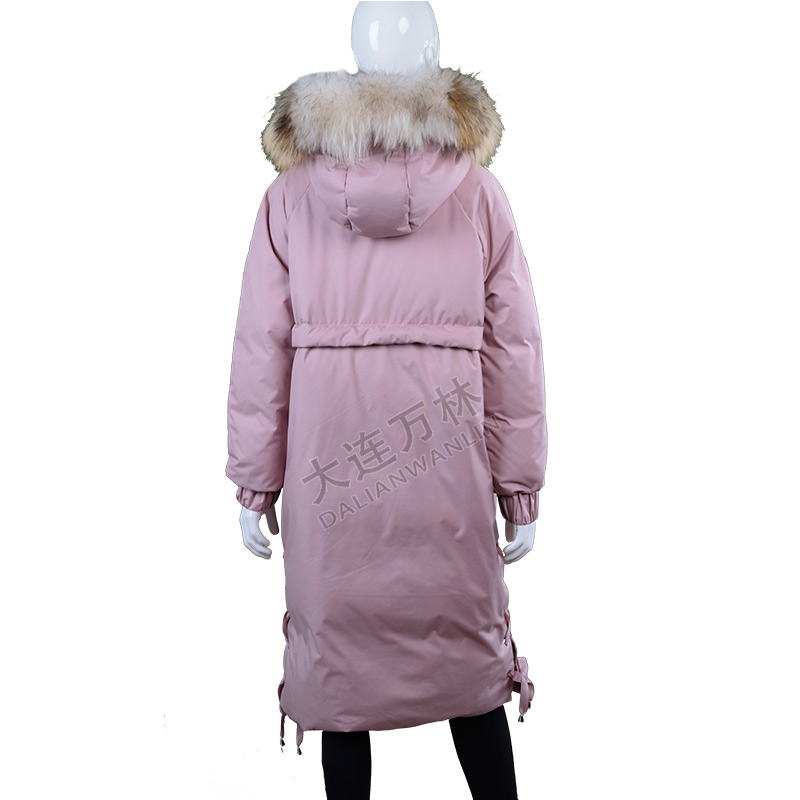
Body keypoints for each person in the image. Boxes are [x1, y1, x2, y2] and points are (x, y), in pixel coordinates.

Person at [225, 3, 547, 798]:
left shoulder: (290, 197)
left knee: (342, 671)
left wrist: (255, 485)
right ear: (432, 56)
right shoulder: (478, 193)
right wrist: (519, 489)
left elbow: (260, 350)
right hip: (450, 478)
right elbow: (514, 352)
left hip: (330, 481)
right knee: (466, 659)